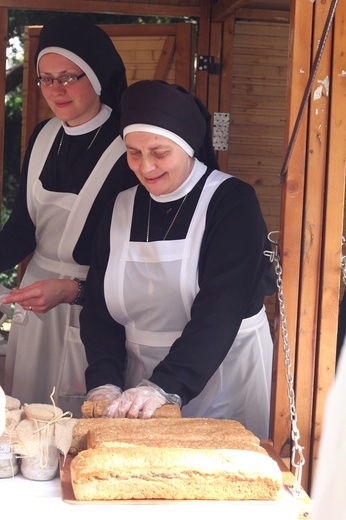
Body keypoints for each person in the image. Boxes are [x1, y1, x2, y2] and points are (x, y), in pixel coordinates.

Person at [80, 80, 277, 439]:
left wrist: (163, 388)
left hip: (223, 374)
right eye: (134, 153)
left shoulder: (232, 202)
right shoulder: (118, 207)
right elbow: (98, 310)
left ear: (187, 147)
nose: (145, 167)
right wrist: (104, 380)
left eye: (159, 152)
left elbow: (221, 309)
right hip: (139, 390)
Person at [0, 14, 138, 416]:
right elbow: (24, 228)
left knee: (81, 419)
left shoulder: (129, 145)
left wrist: (76, 289)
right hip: (37, 297)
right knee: (31, 417)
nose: (55, 90)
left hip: (97, 307)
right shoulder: (42, 136)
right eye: (46, 78)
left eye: (68, 77)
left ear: (96, 77)